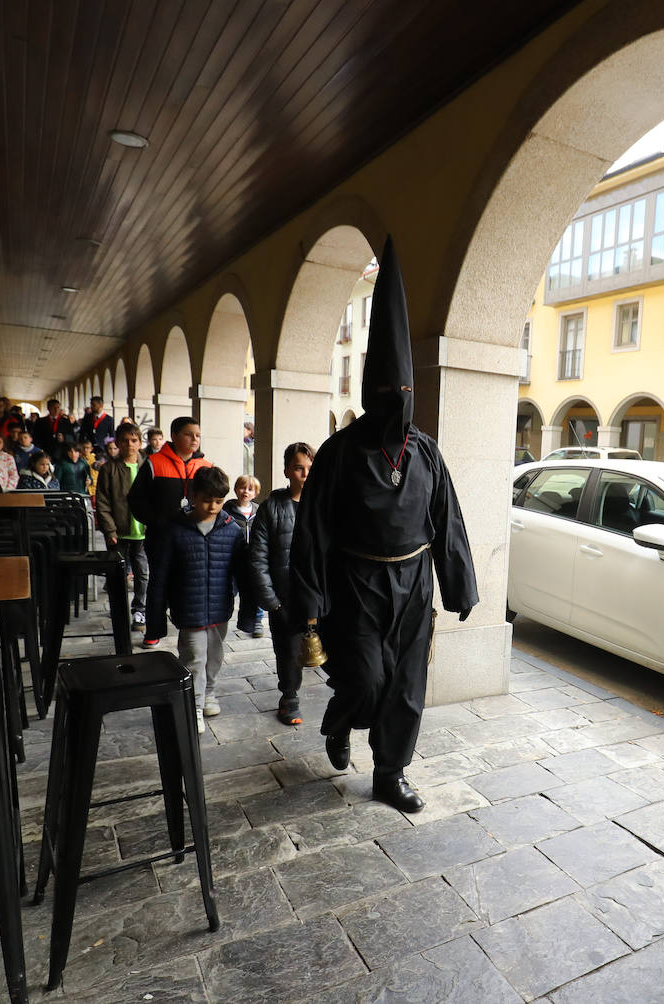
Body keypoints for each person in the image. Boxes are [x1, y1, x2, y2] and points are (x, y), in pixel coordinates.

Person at [291, 237, 478, 814]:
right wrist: (309, 600)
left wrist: (459, 584)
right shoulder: (340, 453)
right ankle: (340, 718)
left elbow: (446, 520)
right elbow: (313, 529)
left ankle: (390, 774)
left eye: (404, 392)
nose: (396, 400)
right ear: (372, 391)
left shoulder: (425, 453)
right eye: (386, 392)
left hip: (414, 584)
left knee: (407, 688)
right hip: (357, 586)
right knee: (368, 680)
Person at [145, 465, 248, 733]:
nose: (212, 506)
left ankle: (209, 694)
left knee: (214, 655)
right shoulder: (174, 530)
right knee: (193, 657)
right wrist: (155, 617)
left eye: (218, 501)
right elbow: (160, 576)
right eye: (206, 500)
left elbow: (243, 571)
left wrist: (239, 597)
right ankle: (193, 706)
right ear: (192, 496)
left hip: (219, 609)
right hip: (188, 609)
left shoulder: (232, 530)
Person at [128, 415, 213, 647]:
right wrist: (155, 522)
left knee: (190, 582)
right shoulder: (154, 463)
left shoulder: (205, 466)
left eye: (197, 435)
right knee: (159, 583)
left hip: (194, 537)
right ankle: (153, 631)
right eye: (188, 434)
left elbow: (215, 496)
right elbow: (136, 499)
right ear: (174, 436)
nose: (194, 439)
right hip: (161, 537)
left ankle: (189, 624)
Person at [249, 443, 313, 726]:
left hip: (317, 594)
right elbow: (258, 558)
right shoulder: (271, 507)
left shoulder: (324, 504)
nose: (305, 474)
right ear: (287, 470)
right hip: (284, 596)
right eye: (299, 468)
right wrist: (271, 602)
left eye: (310, 468)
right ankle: (289, 697)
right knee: (287, 651)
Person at [95, 423, 150, 630]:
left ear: (140, 443)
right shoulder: (109, 468)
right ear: (117, 443)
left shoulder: (148, 467)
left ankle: (140, 610)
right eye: (125, 440)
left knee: (142, 572)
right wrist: (109, 530)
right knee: (117, 573)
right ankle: (118, 610)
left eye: (134, 440)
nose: (129, 444)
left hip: (142, 532)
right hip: (118, 532)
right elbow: (102, 502)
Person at [224, 474, 264, 638]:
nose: (245, 492)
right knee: (229, 590)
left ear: (256, 493)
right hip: (233, 558)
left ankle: (257, 621)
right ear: (235, 489)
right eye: (242, 487)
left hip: (253, 558)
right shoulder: (227, 510)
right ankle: (222, 618)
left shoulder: (259, 510)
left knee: (256, 589)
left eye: (250, 489)